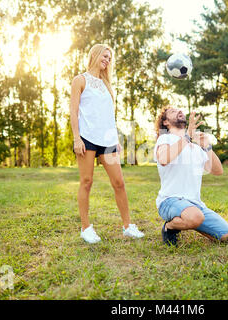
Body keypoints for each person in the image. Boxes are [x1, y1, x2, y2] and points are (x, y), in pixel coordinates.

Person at [69, 44, 144, 244]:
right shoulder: (80, 80)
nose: (107, 60)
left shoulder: (106, 84)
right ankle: (86, 228)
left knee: (119, 182)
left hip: (108, 140)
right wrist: (77, 138)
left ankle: (128, 226)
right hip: (87, 139)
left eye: (109, 58)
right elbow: (73, 112)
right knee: (86, 182)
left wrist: (116, 139)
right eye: (105, 56)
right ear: (94, 54)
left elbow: (109, 115)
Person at [153, 106, 228, 246]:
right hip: (169, 201)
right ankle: (170, 227)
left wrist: (207, 146)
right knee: (195, 217)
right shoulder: (165, 139)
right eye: (173, 111)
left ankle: (189, 221)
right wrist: (187, 136)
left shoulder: (195, 148)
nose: (179, 111)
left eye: (179, 110)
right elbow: (163, 159)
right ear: (166, 122)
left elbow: (217, 171)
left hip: (195, 205)